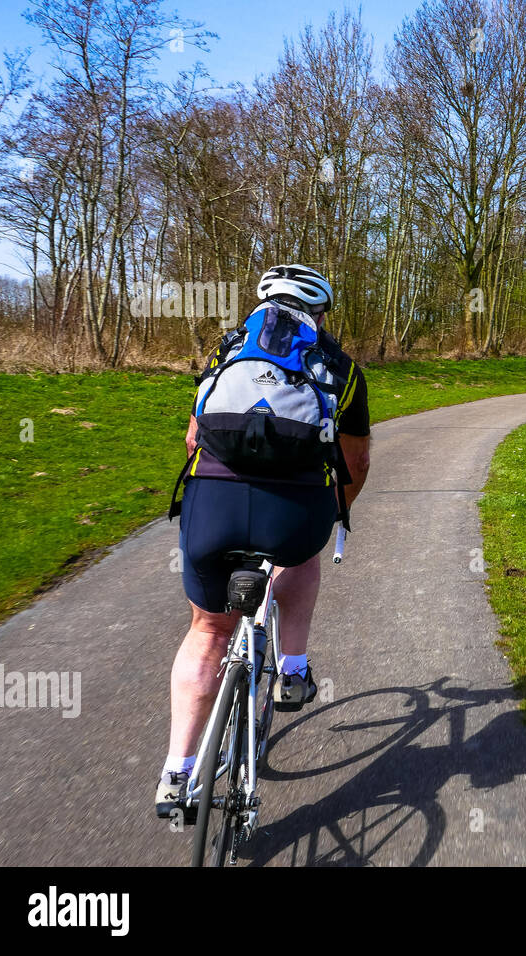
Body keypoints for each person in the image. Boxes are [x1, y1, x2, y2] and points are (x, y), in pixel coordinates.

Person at [155, 264, 371, 820]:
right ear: (320, 315)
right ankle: (293, 672)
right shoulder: (340, 367)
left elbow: (193, 434)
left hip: (215, 502)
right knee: (303, 556)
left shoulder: (228, 350)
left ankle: (177, 773)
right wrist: (338, 508)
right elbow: (355, 459)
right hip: (294, 511)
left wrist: (216, 486)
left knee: (207, 631)